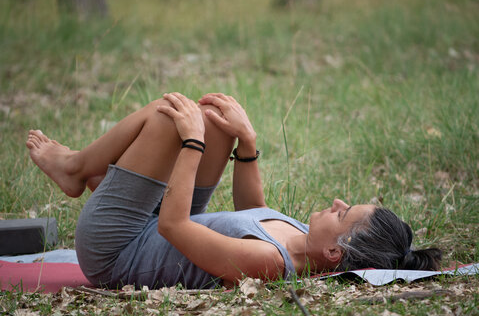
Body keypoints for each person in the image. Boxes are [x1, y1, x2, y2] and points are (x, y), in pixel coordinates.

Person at [26, 92, 442, 290]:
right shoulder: (298, 239)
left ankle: (76, 169)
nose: (336, 202)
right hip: (148, 227)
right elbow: (252, 211)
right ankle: (112, 184)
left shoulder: (268, 262)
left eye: (342, 213)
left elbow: (173, 227)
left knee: (170, 117)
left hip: (113, 250)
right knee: (213, 119)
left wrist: (192, 145)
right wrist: (247, 142)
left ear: (334, 253)